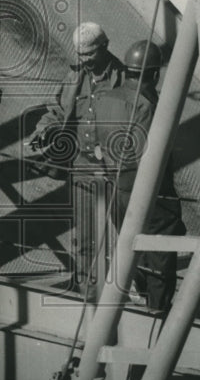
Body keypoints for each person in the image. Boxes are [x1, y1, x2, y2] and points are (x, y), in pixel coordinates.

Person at [27, 22, 126, 298]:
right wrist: (39, 135)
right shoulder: (75, 78)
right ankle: (88, 294)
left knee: (127, 236)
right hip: (83, 170)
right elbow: (57, 112)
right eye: (79, 54)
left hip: (115, 172)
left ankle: (136, 290)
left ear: (104, 47)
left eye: (89, 54)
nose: (83, 61)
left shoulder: (126, 79)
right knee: (84, 240)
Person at [96, 40, 185, 313]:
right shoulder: (150, 105)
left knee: (134, 244)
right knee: (161, 245)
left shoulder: (105, 97)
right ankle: (157, 309)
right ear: (155, 74)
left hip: (114, 187)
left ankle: (145, 296)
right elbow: (152, 155)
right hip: (146, 188)